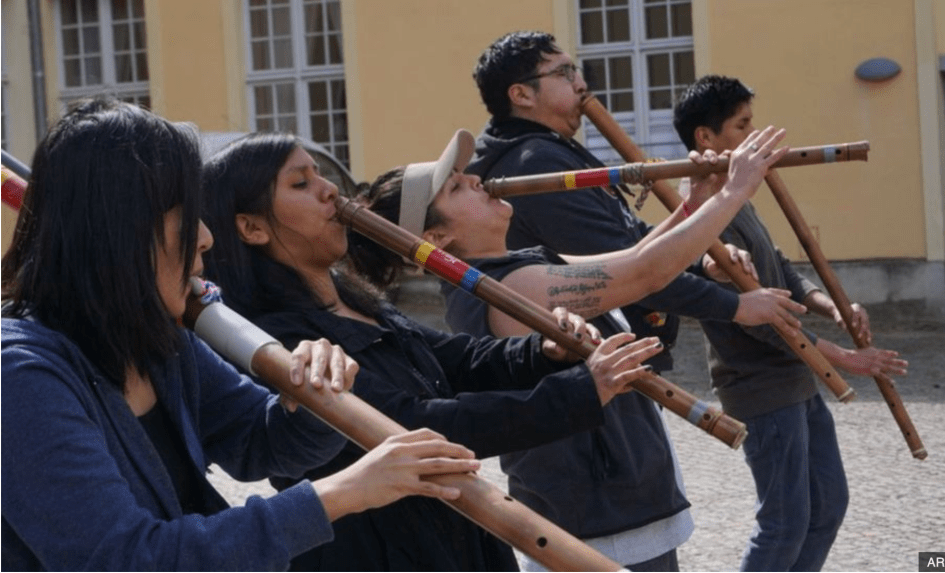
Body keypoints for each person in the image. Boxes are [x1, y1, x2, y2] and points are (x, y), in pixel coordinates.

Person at [0, 98, 484, 571]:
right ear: (121, 233)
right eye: (187, 217)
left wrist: (311, 396)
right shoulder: (20, 376)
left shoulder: (157, 340)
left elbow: (260, 442)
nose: (206, 237)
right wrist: (343, 492)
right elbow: (126, 559)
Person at [201, 131, 665, 571]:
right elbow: (416, 423)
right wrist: (580, 392)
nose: (330, 190)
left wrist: (543, 353)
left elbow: (454, 360)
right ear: (252, 227)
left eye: (320, 175)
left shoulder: (351, 297)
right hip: (382, 552)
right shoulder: (278, 341)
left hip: (456, 527)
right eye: (301, 184)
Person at [355, 125, 799, 571]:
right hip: (599, 514)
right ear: (436, 239)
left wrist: (695, 203)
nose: (474, 178)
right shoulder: (508, 288)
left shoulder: (517, 264)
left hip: (612, 497)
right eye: (455, 187)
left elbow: (632, 260)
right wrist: (735, 192)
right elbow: (645, 273)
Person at [672, 74, 909, 571]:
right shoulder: (700, 216)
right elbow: (761, 322)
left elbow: (780, 269)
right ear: (706, 138)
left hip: (797, 379)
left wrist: (832, 306)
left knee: (828, 506)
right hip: (761, 388)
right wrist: (845, 359)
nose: (753, 136)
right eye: (742, 126)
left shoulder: (736, 193)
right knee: (784, 523)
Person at [467, 30, 802, 375]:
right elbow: (631, 271)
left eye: (576, 70)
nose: (581, 84)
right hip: (584, 369)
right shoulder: (534, 163)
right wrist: (735, 306)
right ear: (521, 94)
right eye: (564, 73)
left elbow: (631, 240)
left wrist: (697, 253)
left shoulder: (549, 149)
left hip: (608, 363)